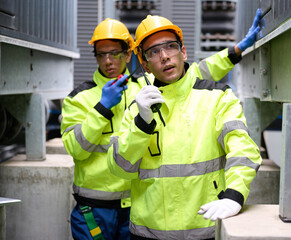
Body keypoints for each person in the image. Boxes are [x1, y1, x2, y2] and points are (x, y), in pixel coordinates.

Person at [107, 10, 264, 240]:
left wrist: (234, 194)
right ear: (146, 64)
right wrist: (141, 124)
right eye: (153, 52)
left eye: (170, 46)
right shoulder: (137, 109)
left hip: (205, 230)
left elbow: (243, 150)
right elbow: (119, 168)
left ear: (183, 52)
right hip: (148, 234)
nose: (164, 56)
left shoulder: (218, 97)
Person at [61, 18, 139, 240]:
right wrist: (102, 107)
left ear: (128, 54)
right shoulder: (78, 99)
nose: (107, 61)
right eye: (101, 54)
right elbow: (75, 149)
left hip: (137, 207)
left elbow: (187, 74)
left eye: (114, 53)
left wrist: (235, 51)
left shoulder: (144, 90)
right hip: (93, 211)